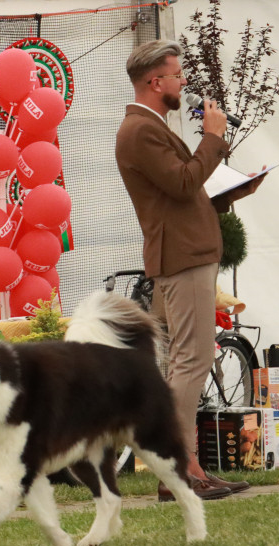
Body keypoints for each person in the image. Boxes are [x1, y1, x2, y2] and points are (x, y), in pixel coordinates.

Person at [115, 39, 264, 502]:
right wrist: (213, 138)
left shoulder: (151, 126)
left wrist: (225, 192)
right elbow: (181, 183)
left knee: (187, 359)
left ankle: (187, 466)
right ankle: (178, 470)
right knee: (191, 360)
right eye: (177, 76)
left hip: (185, 254)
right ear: (154, 82)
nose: (184, 83)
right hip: (181, 259)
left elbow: (179, 191)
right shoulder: (140, 130)